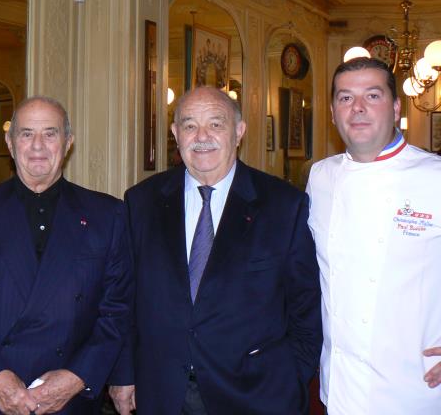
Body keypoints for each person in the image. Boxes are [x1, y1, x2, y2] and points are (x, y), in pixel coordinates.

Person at [109, 86, 322, 414]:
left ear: (239, 132)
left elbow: (306, 308)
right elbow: (124, 297)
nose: (201, 136)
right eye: (190, 125)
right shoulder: (141, 202)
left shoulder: (284, 205)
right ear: (175, 134)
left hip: (255, 395)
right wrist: (123, 374)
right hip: (162, 391)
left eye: (216, 124)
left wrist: (291, 379)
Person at [0, 96, 132, 415]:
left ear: (68, 141)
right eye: (26, 133)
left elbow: (118, 308)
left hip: (71, 400)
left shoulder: (108, 214)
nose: (38, 145)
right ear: (9, 141)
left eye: (50, 133)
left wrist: (75, 378)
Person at [306, 56, 441, 414]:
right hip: (338, 388)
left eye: (373, 96)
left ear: (396, 108)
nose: (358, 109)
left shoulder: (434, 177)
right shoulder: (319, 178)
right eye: (346, 98)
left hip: (417, 390)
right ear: (333, 112)